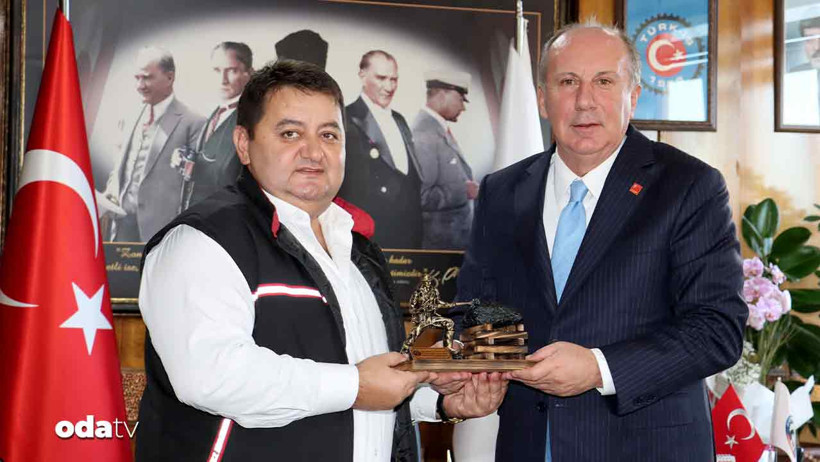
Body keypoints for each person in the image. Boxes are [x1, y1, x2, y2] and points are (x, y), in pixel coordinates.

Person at [135, 60, 505, 461]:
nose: (313, 151)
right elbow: (212, 377)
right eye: (290, 133)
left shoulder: (358, 249)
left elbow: (366, 381)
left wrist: (438, 401)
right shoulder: (202, 241)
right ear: (243, 143)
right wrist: (356, 385)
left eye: (328, 134)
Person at [456, 22, 747, 461]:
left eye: (604, 82)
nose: (584, 100)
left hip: (644, 448)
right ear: (542, 99)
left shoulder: (689, 186)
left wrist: (599, 368)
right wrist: (472, 365)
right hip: (527, 444)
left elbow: (717, 329)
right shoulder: (501, 191)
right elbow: (478, 310)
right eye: (567, 82)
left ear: (634, 95)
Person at [100, 46, 205, 242]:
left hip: (162, 232)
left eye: (147, 78)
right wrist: (110, 194)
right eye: (137, 78)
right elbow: (120, 166)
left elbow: (196, 185)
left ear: (170, 77)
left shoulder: (193, 123)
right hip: (121, 226)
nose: (140, 85)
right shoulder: (130, 115)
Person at [337, 50, 422, 249]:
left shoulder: (400, 120)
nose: (389, 87)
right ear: (362, 75)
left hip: (408, 231)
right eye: (381, 78)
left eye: (394, 79)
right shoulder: (346, 118)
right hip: (371, 234)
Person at [412, 71, 478, 250]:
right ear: (442, 95)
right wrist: (464, 191)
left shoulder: (436, 128)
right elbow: (422, 196)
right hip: (441, 247)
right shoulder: (424, 133)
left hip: (454, 241)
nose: (463, 108)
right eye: (461, 99)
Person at [184, 42, 252, 208]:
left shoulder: (251, 118)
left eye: (232, 71)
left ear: (249, 73)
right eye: (217, 70)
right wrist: (189, 160)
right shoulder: (217, 112)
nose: (223, 80)